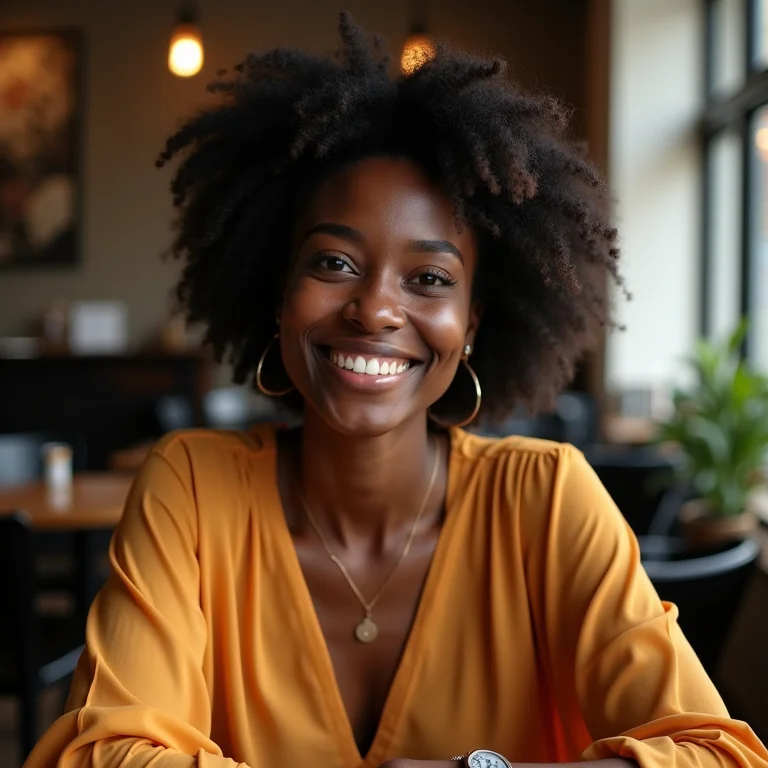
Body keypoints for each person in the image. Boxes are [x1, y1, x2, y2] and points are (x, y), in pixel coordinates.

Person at [26, 12, 768, 768]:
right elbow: (104, 752)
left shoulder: (546, 500)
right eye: (334, 263)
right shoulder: (189, 489)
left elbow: (715, 754)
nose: (376, 308)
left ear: (472, 323)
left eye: (430, 279)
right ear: (278, 296)